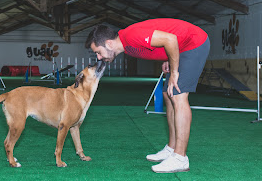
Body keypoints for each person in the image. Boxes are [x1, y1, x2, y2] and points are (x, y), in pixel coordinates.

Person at [85, 18, 210, 173]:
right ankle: (172, 148)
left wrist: (175, 71)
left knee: (178, 95)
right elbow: (163, 40)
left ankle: (180, 158)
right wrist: (168, 58)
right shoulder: (127, 45)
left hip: (194, 43)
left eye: (98, 52)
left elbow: (170, 39)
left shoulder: (131, 36)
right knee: (167, 94)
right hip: (181, 47)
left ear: (109, 44)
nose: (98, 57)